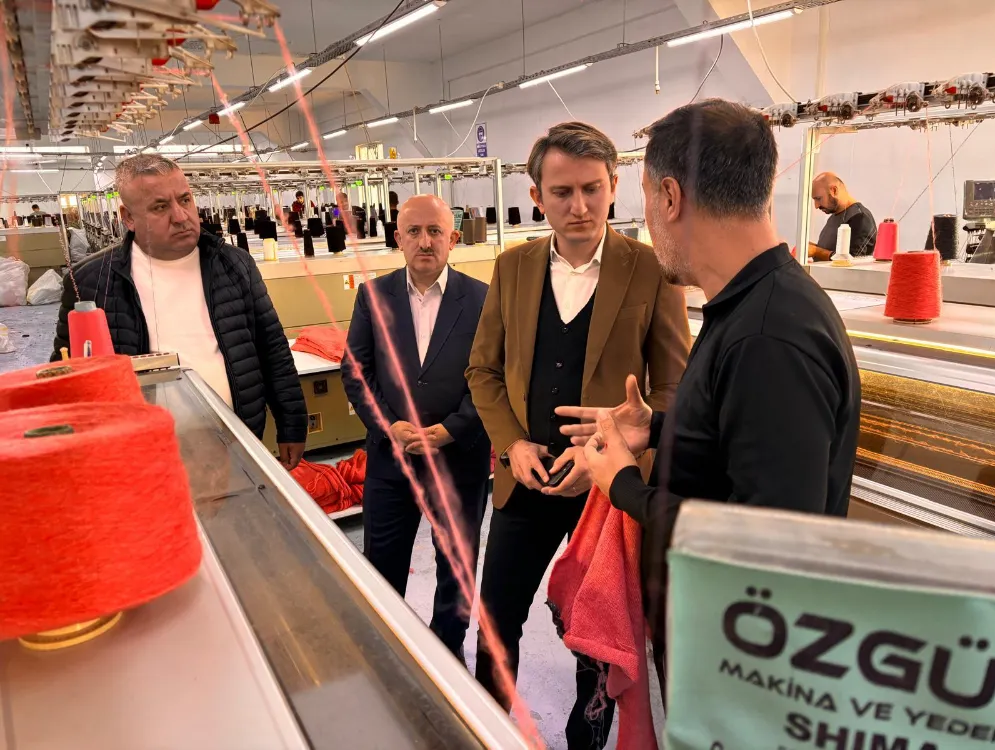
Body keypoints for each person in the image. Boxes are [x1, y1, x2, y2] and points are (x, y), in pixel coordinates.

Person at [558, 99, 863, 695]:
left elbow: (764, 544)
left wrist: (624, 486)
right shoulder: (750, 306)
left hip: (746, 665)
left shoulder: (768, 336)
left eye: (646, 202)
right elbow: (741, 449)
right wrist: (660, 428)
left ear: (670, 198)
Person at [466, 121, 690, 749]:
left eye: (593, 189)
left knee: (595, 638)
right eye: (562, 192)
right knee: (495, 624)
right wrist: (512, 444)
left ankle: (583, 741)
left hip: (607, 496)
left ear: (615, 185)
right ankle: (486, 730)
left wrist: (617, 448)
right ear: (536, 196)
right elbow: (482, 370)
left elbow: (675, 389)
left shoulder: (650, 270)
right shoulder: (511, 268)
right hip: (525, 481)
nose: (580, 206)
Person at [51, 154, 307, 470]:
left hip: (235, 441)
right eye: (160, 207)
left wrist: (292, 423)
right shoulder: (90, 282)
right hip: (140, 455)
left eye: (185, 199)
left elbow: (273, 349)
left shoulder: (234, 264)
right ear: (128, 217)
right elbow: (67, 374)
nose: (181, 216)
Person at [342, 194, 491, 659]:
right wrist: (389, 425)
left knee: (457, 570)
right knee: (383, 565)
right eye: (414, 231)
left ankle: (448, 653)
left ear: (453, 238)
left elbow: (494, 376)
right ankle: (390, 652)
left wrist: (454, 428)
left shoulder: (483, 298)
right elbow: (356, 371)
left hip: (459, 459)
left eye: (435, 231)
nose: (425, 242)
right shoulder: (373, 296)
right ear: (398, 238)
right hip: (393, 462)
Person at [808, 172, 877, 260]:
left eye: (818, 198)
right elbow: (832, 251)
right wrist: (813, 248)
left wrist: (816, 251)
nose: (816, 206)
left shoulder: (860, 217)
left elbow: (852, 261)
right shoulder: (834, 217)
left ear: (834, 190)